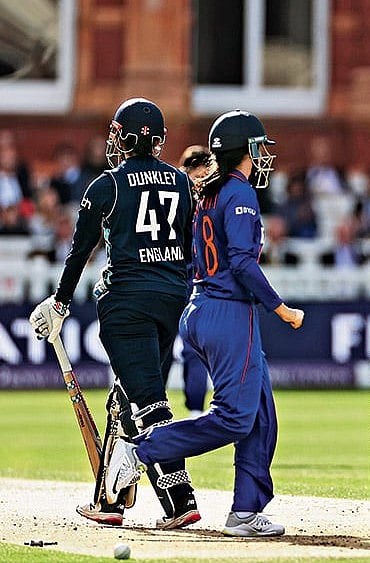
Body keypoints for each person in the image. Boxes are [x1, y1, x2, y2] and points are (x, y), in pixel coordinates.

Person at [104, 109, 305, 537]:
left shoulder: (209, 192)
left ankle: (246, 511)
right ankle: (139, 452)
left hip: (202, 308)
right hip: (229, 313)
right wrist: (281, 309)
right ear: (244, 149)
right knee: (234, 418)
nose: (264, 154)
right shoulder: (239, 193)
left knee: (260, 415)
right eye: (259, 146)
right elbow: (243, 265)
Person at [28, 98, 201, 528]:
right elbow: (187, 247)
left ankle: (180, 499)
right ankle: (111, 502)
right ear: (158, 141)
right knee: (126, 398)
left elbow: (80, 250)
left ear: (122, 137)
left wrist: (60, 302)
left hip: (127, 304)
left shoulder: (107, 186)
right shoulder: (182, 182)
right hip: (171, 299)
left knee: (148, 404)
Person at [177, 145, 213, 416]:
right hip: (171, 277)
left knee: (194, 347)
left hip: (198, 281)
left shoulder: (213, 200)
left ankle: (195, 409)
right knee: (161, 346)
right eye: (196, 177)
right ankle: (146, 410)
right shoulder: (175, 199)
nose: (200, 183)